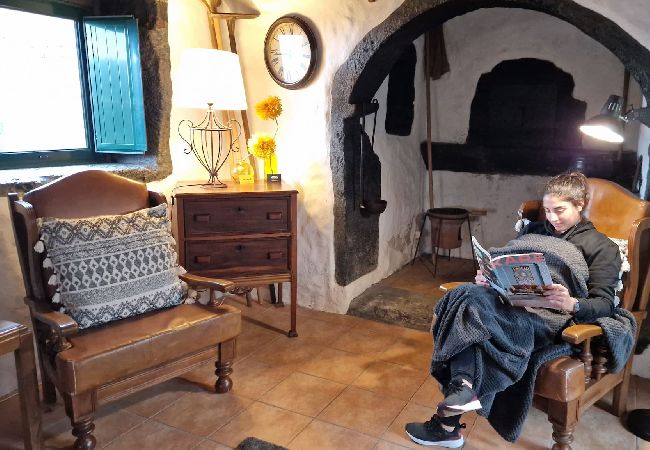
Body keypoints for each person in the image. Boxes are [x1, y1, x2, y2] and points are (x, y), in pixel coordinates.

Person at [405, 172, 622, 448]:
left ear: (580, 204)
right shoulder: (534, 232)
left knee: (470, 313)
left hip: (548, 319)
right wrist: (490, 278)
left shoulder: (602, 247)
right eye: (547, 210)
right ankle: (460, 396)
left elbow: (605, 304)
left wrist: (571, 303)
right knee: (466, 293)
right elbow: (509, 268)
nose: (552, 218)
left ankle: (449, 421)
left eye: (559, 210)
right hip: (509, 307)